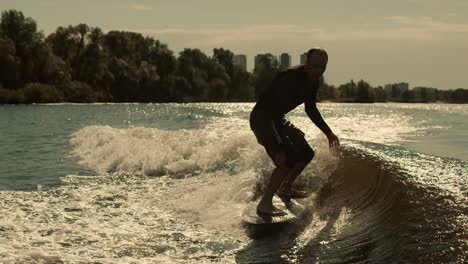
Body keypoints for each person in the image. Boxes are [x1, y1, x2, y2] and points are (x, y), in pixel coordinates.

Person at [249, 48, 340, 217]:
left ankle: (286, 188)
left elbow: (311, 109)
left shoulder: (313, 81)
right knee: (285, 160)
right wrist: (283, 140)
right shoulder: (290, 78)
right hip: (263, 119)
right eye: (315, 66)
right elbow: (271, 109)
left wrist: (329, 133)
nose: (318, 71)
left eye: (322, 67)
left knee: (306, 153)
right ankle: (265, 204)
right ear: (307, 64)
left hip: (277, 119)